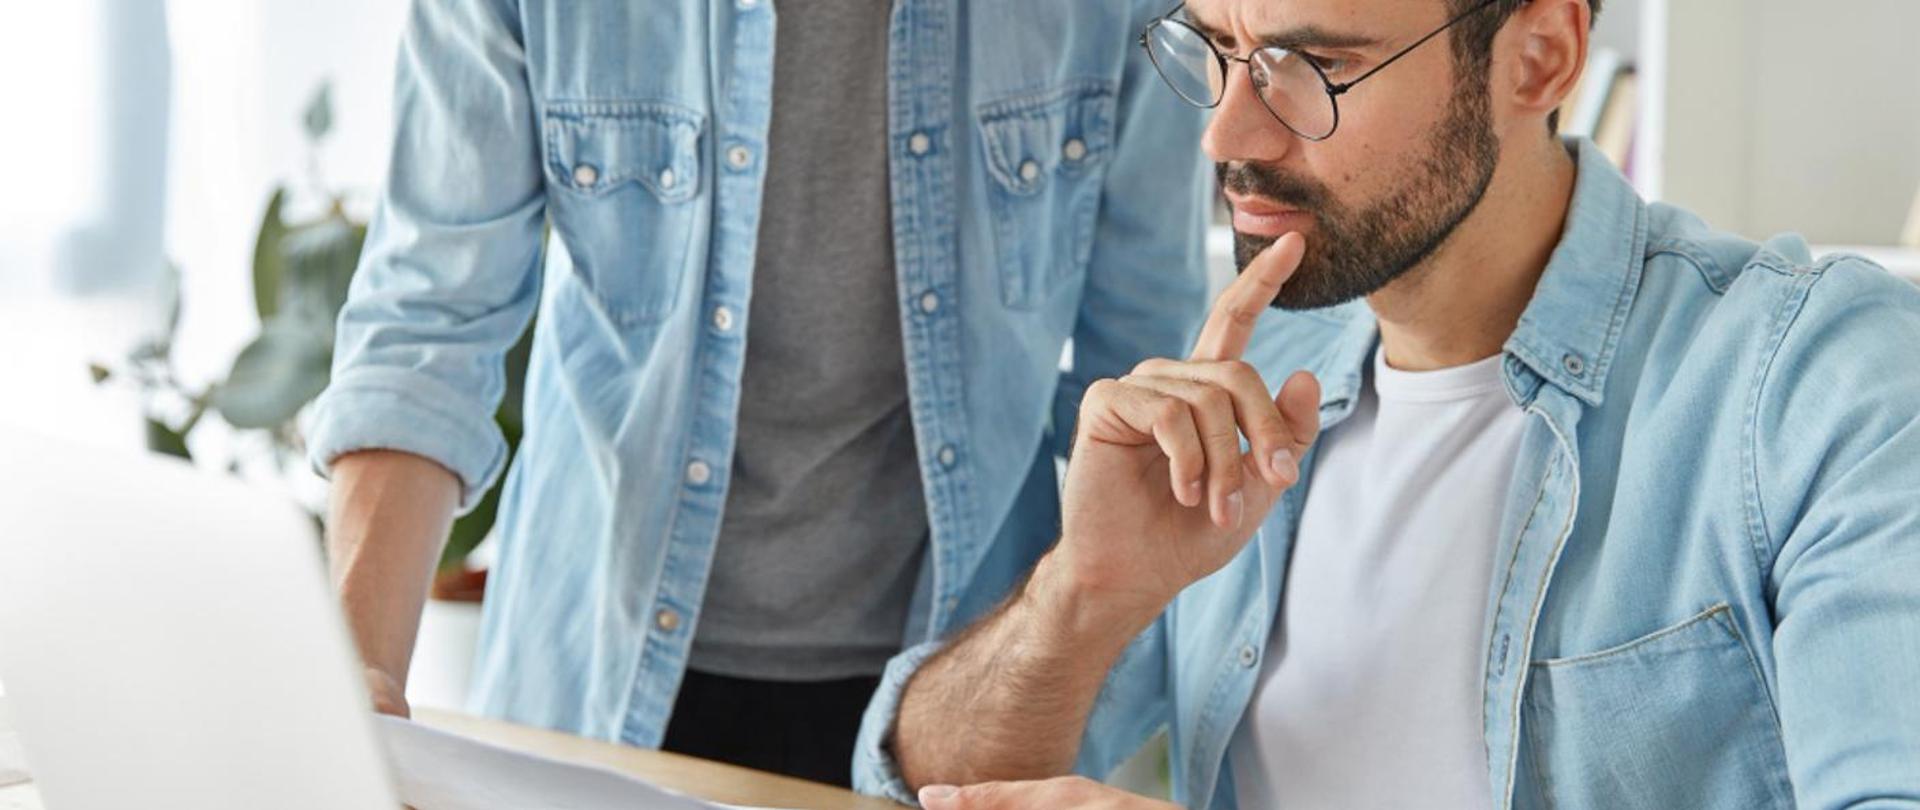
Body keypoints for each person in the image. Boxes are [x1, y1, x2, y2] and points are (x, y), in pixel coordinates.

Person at [857, 0, 1920, 806]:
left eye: (1311, 67)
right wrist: (1081, 596)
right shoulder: (1249, 378)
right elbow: (914, 786)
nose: (1226, 137)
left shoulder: (1821, 384)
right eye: (1218, 54)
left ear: (1539, 55)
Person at [308, 0, 1212, 786]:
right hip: (592, 686)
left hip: (955, 693)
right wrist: (349, 696)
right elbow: (431, 317)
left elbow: (1144, 375)